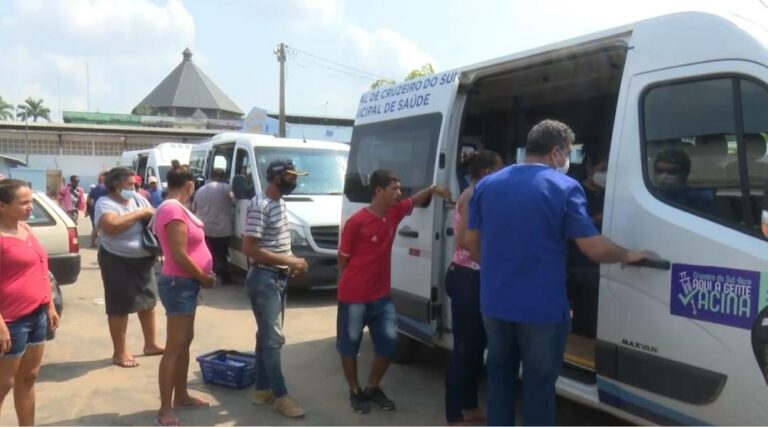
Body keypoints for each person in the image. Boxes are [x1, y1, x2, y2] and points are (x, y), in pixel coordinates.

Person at [466, 119, 648, 426]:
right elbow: (593, 248)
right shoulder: (564, 187)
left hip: (495, 304)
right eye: (567, 153)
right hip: (542, 311)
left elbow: (470, 242)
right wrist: (629, 254)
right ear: (555, 152)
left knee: (500, 381)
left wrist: (500, 270)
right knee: (539, 388)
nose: (567, 160)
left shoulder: (487, 185)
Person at [337, 170, 451, 414]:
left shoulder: (394, 212)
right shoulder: (356, 222)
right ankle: (355, 391)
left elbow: (415, 200)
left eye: (399, 188)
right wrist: (354, 283)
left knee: (389, 344)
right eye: (394, 189)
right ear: (378, 191)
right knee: (350, 346)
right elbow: (343, 260)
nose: (399, 193)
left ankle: (372, 387)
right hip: (354, 297)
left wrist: (432, 189)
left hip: (381, 297)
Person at [241, 159, 309, 418]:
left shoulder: (279, 203)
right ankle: (280, 395)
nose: (294, 182)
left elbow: (276, 243)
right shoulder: (261, 205)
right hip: (264, 279)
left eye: (295, 177)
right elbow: (250, 249)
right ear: (276, 178)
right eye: (290, 177)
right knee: (273, 340)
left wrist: (290, 263)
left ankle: (262, 391)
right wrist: (290, 261)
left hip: (277, 278)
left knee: (266, 337)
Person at [152, 168, 216, 427]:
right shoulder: (172, 210)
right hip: (180, 283)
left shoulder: (177, 209)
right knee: (174, 346)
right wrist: (203, 277)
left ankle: (181, 395)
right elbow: (178, 254)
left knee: (184, 341)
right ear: (189, 185)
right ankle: (165, 410)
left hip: (186, 283)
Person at [444, 151, 502, 425]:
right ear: (489, 171)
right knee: (465, 350)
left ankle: (469, 407)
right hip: (468, 277)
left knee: (476, 349)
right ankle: (455, 414)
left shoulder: (482, 192)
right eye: (500, 169)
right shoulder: (472, 194)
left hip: (475, 277)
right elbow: (466, 240)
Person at [0, 179, 60, 426]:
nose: (30, 207)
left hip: (37, 315)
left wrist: (49, 304)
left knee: (28, 378)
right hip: (10, 321)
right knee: (4, 384)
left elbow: (41, 268)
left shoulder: (26, 228)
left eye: (31, 202)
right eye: (23, 203)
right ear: (2, 205)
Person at [95, 167, 164, 368]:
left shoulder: (138, 199)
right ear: (116, 184)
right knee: (119, 307)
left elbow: (154, 215)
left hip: (143, 260)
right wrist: (139, 214)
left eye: (135, 184)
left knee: (148, 302)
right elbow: (111, 226)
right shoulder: (105, 202)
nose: (133, 187)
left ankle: (150, 344)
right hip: (117, 259)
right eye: (129, 184)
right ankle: (120, 352)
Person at [191, 168, 234, 285]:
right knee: (222, 254)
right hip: (222, 229)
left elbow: (194, 209)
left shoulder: (200, 190)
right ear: (222, 177)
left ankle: (206, 278)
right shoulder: (225, 187)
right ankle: (226, 279)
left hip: (205, 228)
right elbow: (234, 199)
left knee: (208, 254)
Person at [652, 148, 717, 214]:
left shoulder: (698, 200)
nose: (664, 176)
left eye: (672, 172)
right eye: (660, 171)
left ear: (684, 174)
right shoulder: (648, 195)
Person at [86, 172, 109, 248]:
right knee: (103, 227)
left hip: (96, 209)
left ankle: (92, 243)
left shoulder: (97, 187)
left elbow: (88, 198)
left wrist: (92, 205)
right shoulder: (107, 187)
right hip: (105, 209)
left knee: (95, 227)